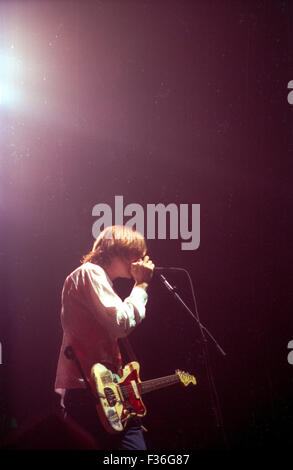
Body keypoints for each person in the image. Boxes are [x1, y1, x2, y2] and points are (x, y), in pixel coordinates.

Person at [54, 225, 155, 450]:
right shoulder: (89, 273)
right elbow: (121, 323)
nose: (142, 259)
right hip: (90, 395)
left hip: (106, 392)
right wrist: (141, 286)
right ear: (117, 249)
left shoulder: (99, 281)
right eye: (136, 253)